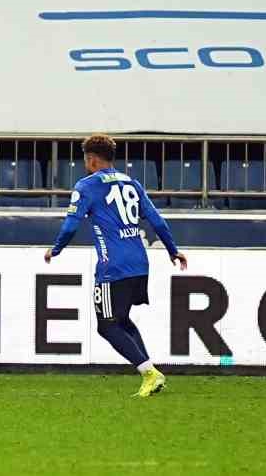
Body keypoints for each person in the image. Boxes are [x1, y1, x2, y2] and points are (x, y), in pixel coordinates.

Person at [44, 133, 186, 398]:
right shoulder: (132, 183)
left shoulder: (87, 186)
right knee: (122, 321)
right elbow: (156, 221)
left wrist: (56, 248)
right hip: (139, 263)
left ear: (92, 159)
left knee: (107, 326)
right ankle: (151, 373)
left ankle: (149, 373)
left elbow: (71, 223)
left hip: (113, 267)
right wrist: (173, 250)